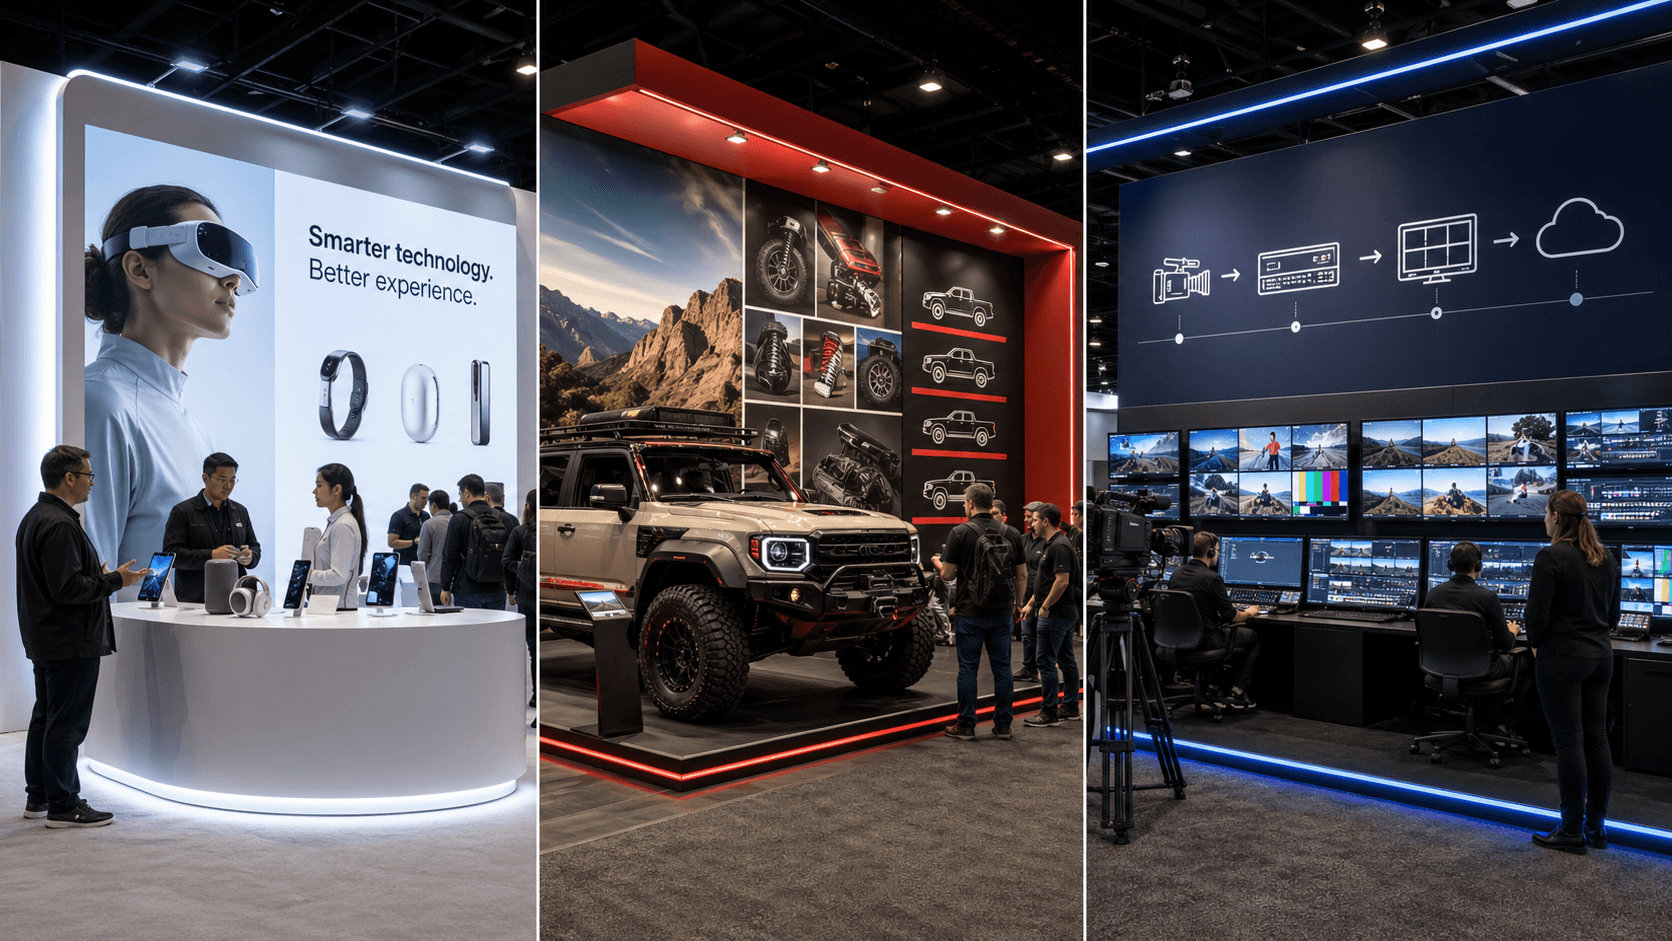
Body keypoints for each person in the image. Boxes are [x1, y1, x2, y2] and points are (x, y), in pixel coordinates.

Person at [82, 185, 256, 591]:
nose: (233, 279)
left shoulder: (194, 428)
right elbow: (88, 598)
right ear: (140, 269)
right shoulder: (102, 404)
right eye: (209, 251)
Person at [17, 445, 146, 827]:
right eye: (88, 475)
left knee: (47, 718)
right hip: (69, 639)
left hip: (49, 638)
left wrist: (97, 575)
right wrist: (114, 580)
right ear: (70, 478)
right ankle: (64, 804)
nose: (92, 483)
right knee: (66, 725)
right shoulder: (58, 523)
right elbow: (67, 589)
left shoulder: (38, 517)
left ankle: (39, 797)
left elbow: (60, 581)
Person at [1525, 490, 1620, 854]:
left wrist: (1536, 645)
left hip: (1562, 658)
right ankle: (1596, 827)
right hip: (1601, 657)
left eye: (1546, 513)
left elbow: (1536, 617)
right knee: (1597, 739)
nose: (1544, 519)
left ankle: (1570, 830)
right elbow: (1612, 618)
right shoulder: (1607, 558)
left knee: (1569, 742)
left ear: (1557, 518)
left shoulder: (1550, 557)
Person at [939, 483, 1026, 741]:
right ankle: (1003, 726)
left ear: (970, 504)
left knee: (968, 669)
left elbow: (946, 574)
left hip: (970, 612)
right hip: (1002, 613)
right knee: (1003, 669)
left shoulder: (960, 533)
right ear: (992, 504)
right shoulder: (1011, 533)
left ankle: (966, 725)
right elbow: (1021, 574)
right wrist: (1017, 605)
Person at [1425, 542, 1534, 738]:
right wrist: (1512, 631)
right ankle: (1504, 727)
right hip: (1481, 670)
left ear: (1450, 565)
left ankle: (1484, 721)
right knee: (1528, 665)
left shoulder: (1433, 594)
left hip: (1440, 668)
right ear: (1478, 566)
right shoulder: (1487, 597)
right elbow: (1506, 644)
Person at [1167, 531, 1262, 708]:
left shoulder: (1176, 573)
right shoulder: (1212, 578)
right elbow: (1232, 616)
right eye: (1217, 550)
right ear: (1211, 552)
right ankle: (1238, 691)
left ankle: (1214, 686)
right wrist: (1250, 612)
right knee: (1254, 638)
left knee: (1214, 628)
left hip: (1178, 639)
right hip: (1207, 641)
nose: (1218, 553)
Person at [161, 452, 260, 604]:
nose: (228, 486)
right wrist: (212, 555)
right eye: (222, 480)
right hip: (196, 600)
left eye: (233, 480)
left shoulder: (240, 511)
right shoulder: (183, 512)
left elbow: (254, 546)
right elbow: (171, 556)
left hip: (238, 599)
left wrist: (250, 556)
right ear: (205, 478)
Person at [1021, 504, 1080, 726]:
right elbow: (1046, 581)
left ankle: (1049, 712)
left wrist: (1044, 607)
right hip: (1059, 612)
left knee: (1045, 661)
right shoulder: (1053, 544)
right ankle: (1071, 707)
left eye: (1034, 520)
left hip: (1056, 613)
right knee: (1065, 660)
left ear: (1045, 521)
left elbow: (1062, 580)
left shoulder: (1059, 545)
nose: (1031, 523)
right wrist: (1031, 603)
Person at [440, 474, 508, 610]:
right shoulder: (504, 518)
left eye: (460, 494)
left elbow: (449, 555)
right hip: (498, 588)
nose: (459, 500)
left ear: (466, 493)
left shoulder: (459, 519)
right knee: (496, 631)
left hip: (468, 589)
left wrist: (445, 587)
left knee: (469, 631)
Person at [310, 463, 368, 610]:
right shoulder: (337, 522)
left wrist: (308, 575)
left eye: (319, 485)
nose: (314, 491)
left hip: (338, 610)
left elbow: (339, 575)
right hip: (329, 608)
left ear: (336, 489)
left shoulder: (343, 525)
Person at [503, 489, 539, 708]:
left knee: (533, 648)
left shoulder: (520, 532)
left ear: (528, 506)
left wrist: (523, 571)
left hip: (526, 596)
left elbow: (506, 560)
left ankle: (536, 696)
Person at [1016, 500, 1047, 682]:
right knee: (1027, 635)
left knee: (1042, 635)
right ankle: (1029, 668)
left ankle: (1043, 667)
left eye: (1031, 517)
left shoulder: (1048, 542)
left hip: (1043, 597)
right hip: (1027, 595)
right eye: (1027, 517)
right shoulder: (1022, 540)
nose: (1027, 521)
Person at [386, 483, 430, 567]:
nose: (426, 502)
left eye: (427, 498)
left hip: (422, 565)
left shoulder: (426, 516)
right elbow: (391, 542)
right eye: (423, 498)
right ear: (413, 496)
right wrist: (413, 542)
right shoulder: (398, 516)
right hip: (404, 566)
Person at [415, 490, 455, 577]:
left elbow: (422, 553)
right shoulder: (458, 521)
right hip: (456, 576)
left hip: (436, 575)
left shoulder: (429, 524)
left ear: (433, 505)